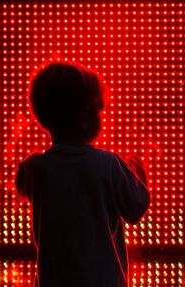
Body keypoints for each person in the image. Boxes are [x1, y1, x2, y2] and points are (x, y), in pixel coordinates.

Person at [14, 60, 151, 287]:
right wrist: (138, 174)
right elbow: (135, 209)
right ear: (85, 115)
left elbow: (22, 188)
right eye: (100, 106)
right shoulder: (109, 164)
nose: (103, 112)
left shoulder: (34, 167)